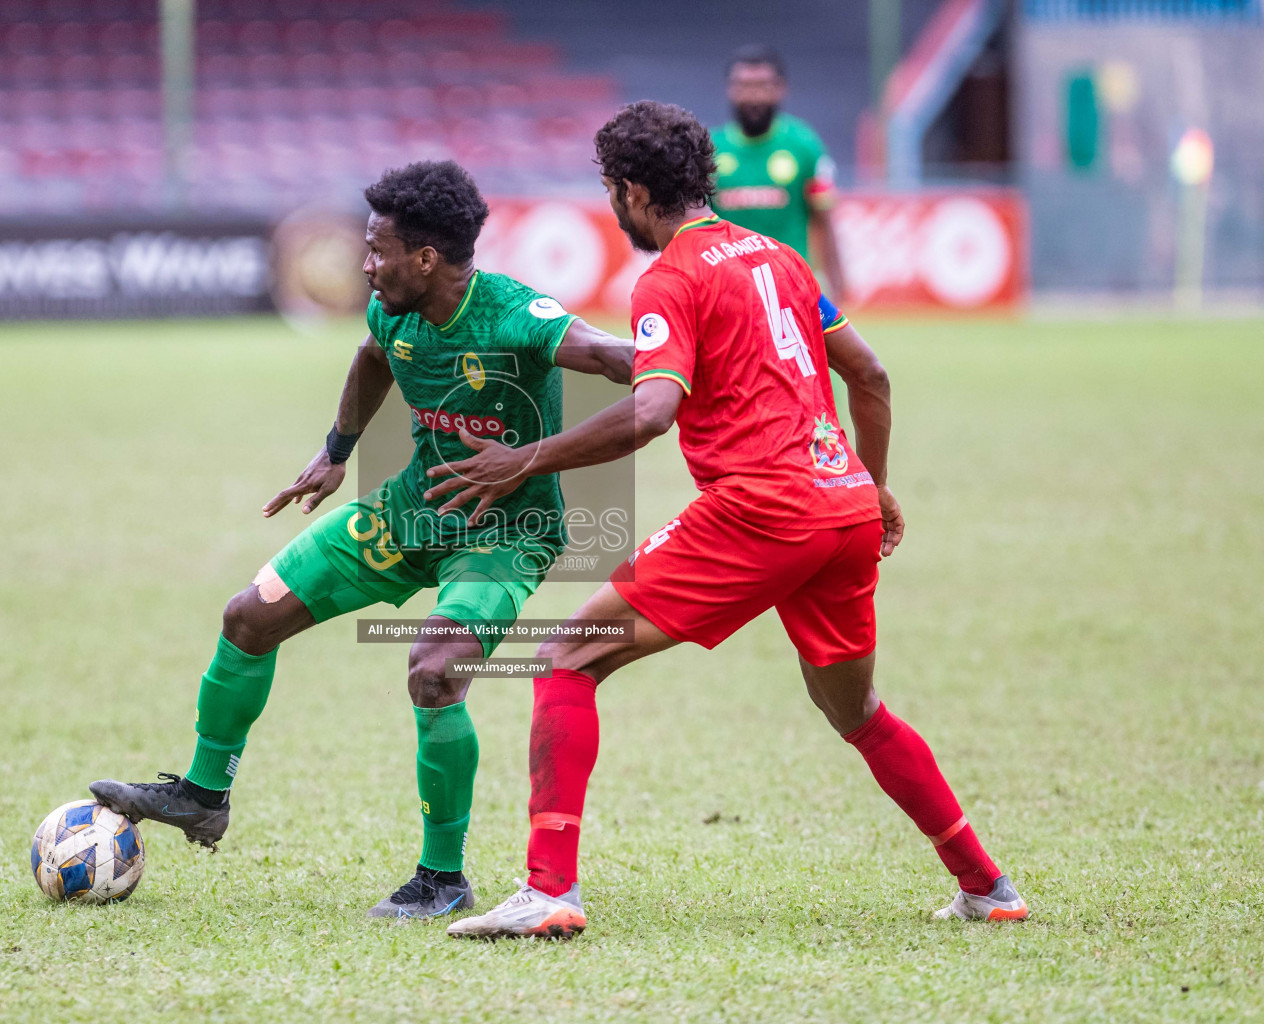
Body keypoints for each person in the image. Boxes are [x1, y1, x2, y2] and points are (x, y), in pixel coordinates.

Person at [419, 102, 1026, 938]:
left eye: (610, 189)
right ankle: (986, 887)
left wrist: (524, 458)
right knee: (858, 712)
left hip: (761, 511)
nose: (610, 205)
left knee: (564, 658)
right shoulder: (778, 255)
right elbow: (872, 376)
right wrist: (871, 486)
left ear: (632, 191)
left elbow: (649, 413)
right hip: (841, 508)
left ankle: (549, 891)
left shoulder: (669, 278)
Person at [88, 160, 632, 920]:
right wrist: (337, 450)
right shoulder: (394, 312)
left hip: (507, 534)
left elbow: (628, 364)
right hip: (410, 512)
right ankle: (205, 794)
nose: (365, 265)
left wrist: (532, 459)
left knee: (434, 670)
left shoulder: (514, 314)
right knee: (250, 615)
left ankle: (442, 877)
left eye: (377, 250)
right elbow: (373, 358)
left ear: (426, 259)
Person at [712, 45, 847, 304]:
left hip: (791, 289)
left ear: (780, 88)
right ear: (730, 89)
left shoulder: (805, 146)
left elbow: (824, 221)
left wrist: (838, 290)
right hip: (727, 292)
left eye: (762, 85)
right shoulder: (709, 150)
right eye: (743, 85)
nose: (753, 96)